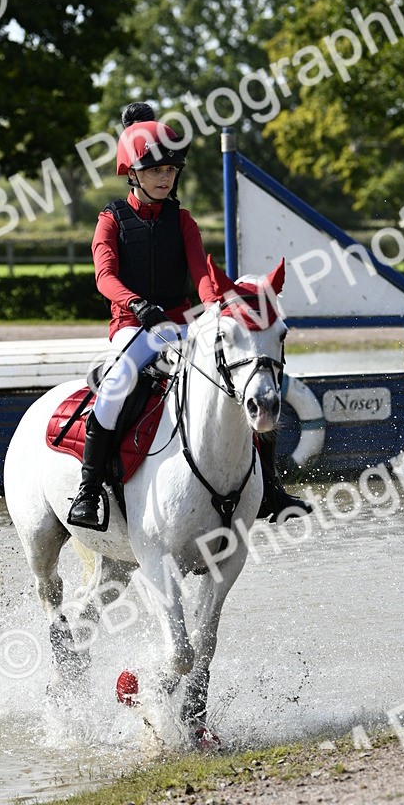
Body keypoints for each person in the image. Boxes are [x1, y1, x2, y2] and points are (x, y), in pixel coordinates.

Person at [67, 101, 312, 530]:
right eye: (155, 171)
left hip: (183, 324)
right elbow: (104, 278)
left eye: (170, 171)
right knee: (113, 391)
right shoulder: (110, 220)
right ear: (133, 173)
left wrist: (216, 305)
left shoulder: (183, 222)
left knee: (241, 382)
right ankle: (88, 493)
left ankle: (269, 487)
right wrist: (135, 303)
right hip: (134, 327)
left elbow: (202, 276)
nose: (165, 178)